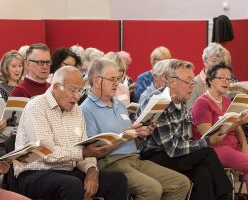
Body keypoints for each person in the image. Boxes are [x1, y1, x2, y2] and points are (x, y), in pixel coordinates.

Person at [81, 58, 190, 200]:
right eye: (112, 79)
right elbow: (94, 153)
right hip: (111, 163)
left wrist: (139, 136)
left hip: (134, 159)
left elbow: (132, 144)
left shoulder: (119, 105)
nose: (117, 83)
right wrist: (122, 137)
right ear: (96, 81)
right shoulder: (86, 109)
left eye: (118, 78)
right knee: (152, 189)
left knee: (181, 183)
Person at [14, 66, 127, 200]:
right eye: (73, 90)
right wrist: (84, 152)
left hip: (67, 172)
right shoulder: (36, 107)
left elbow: (85, 147)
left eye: (80, 90)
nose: (78, 96)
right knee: (72, 184)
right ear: (56, 87)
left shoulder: (76, 110)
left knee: (117, 179)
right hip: (33, 173)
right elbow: (46, 154)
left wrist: (92, 171)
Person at [137, 59, 233, 200]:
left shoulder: (181, 101)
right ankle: (226, 194)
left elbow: (182, 141)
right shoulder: (157, 102)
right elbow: (172, 149)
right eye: (188, 82)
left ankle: (225, 195)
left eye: (192, 82)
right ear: (172, 82)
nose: (192, 86)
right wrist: (207, 142)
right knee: (207, 152)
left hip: (174, 155)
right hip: (155, 156)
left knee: (203, 174)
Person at [192, 62, 248, 200]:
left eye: (229, 78)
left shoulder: (226, 100)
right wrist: (235, 123)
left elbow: (239, 129)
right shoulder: (202, 103)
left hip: (234, 145)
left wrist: (245, 146)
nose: (226, 82)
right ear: (211, 80)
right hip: (216, 148)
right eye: (222, 78)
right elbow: (210, 137)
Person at [187, 43, 232, 110]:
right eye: (214, 61)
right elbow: (190, 111)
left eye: (220, 62)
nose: (217, 65)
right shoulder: (194, 83)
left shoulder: (225, 81)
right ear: (205, 61)